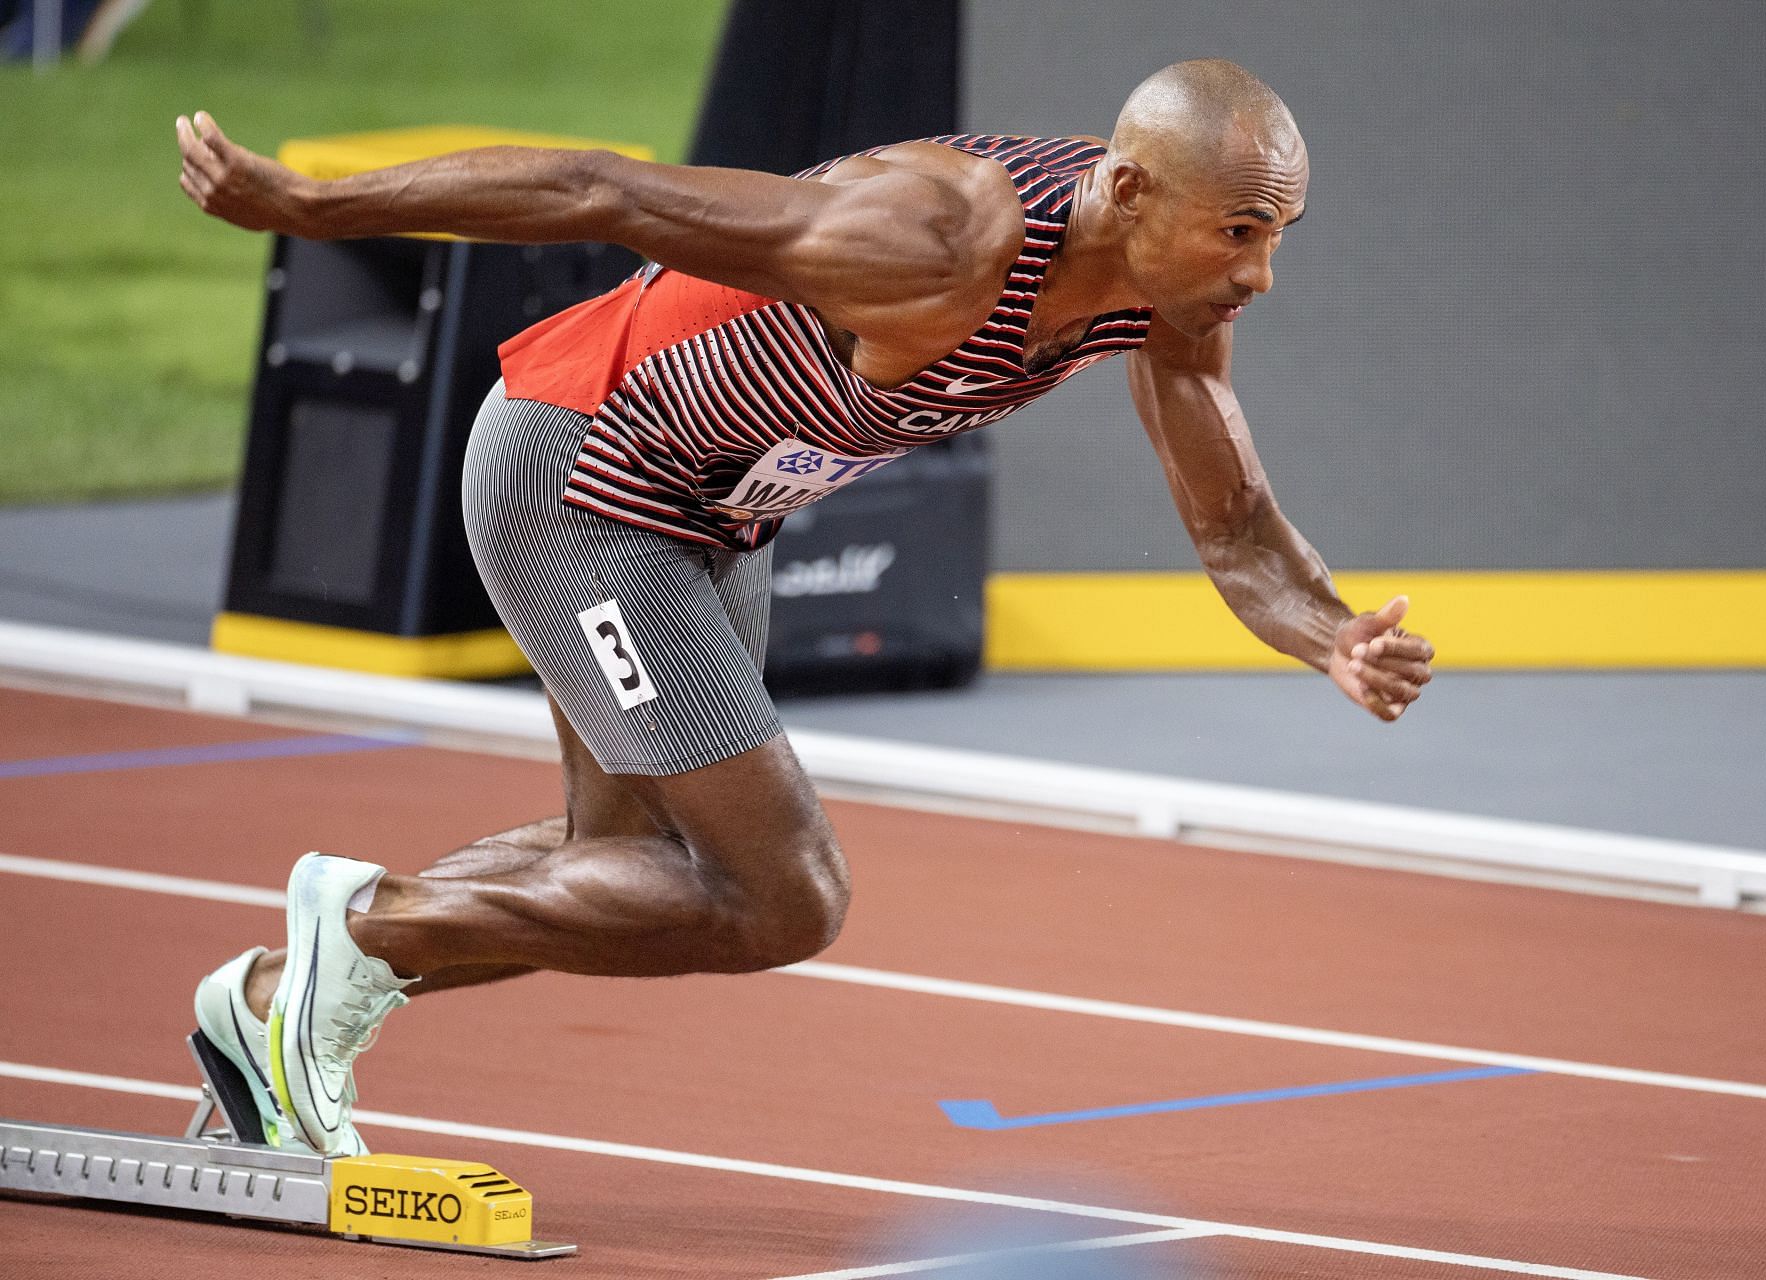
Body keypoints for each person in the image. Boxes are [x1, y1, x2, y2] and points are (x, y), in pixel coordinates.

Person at [175, 58, 1435, 1156]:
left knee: (623, 871)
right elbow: (606, 191)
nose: (1262, 273)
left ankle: (282, 994)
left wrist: (1330, 631)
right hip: (580, 476)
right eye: (1241, 233)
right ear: (1131, 192)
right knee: (781, 893)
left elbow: (1234, 527)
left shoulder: (1165, 295)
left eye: (1281, 234)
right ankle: (355, 936)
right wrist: (310, 206)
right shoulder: (932, 240)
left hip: (712, 517)